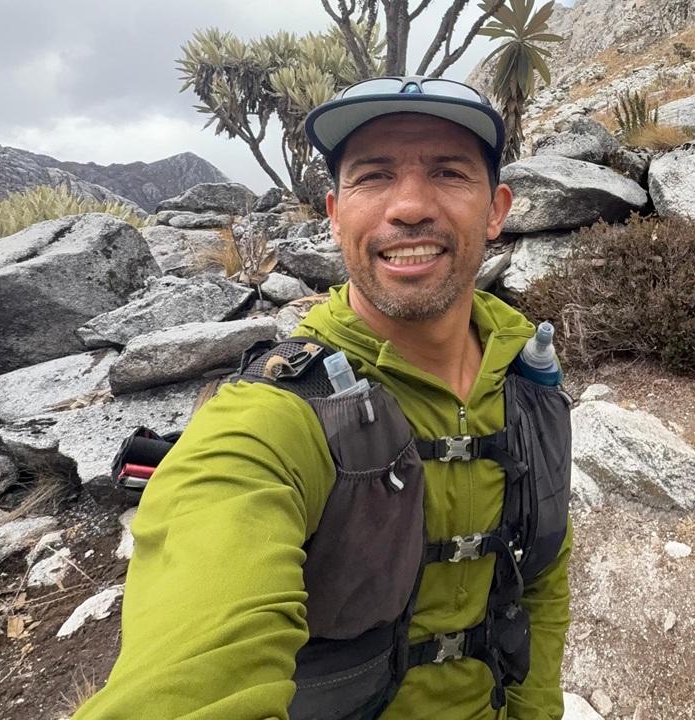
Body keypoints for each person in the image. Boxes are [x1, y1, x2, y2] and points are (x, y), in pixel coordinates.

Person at [75, 77, 572, 720]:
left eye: (449, 173)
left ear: (497, 209)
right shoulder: (273, 418)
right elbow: (193, 673)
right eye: (374, 177)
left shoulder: (525, 372)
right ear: (335, 214)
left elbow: (543, 579)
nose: (410, 207)